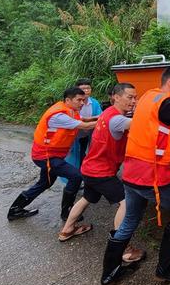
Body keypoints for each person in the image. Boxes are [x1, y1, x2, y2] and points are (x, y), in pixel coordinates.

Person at [100, 67, 170, 285]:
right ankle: (165, 269)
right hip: (153, 177)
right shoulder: (168, 102)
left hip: (131, 174)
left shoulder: (150, 96)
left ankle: (109, 273)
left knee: (130, 219)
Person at [57, 83, 137, 246]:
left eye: (135, 97)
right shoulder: (117, 119)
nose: (134, 101)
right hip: (101, 172)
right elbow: (140, 124)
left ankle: (67, 229)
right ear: (116, 97)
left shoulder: (108, 112)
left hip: (89, 168)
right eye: (130, 97)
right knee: (126, 202)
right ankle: (121, 247)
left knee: (87, 198)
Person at [7, 87, 97, 221]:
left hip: (49, 156)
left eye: (83, 100)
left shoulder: (70, 111)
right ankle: (67, 213)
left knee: (45, 183)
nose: (82, 103)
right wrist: (107, 121)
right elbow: (84, 126)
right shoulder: (58, 116)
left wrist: (99, 117)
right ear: (68, 100)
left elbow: (84, 119)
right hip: (46, 156)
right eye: (79, 100)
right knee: (76, 176)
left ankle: (15, 210)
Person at [64, 79, 102, 172]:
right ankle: (73, 177)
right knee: (72, 155)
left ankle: (80, 174)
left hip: (86, 134)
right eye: (83, 89)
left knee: (82, 153)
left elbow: (100, 116)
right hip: (73, 135)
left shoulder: (94, 103)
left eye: (88, 88)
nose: (86, 91)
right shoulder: (72, 104)